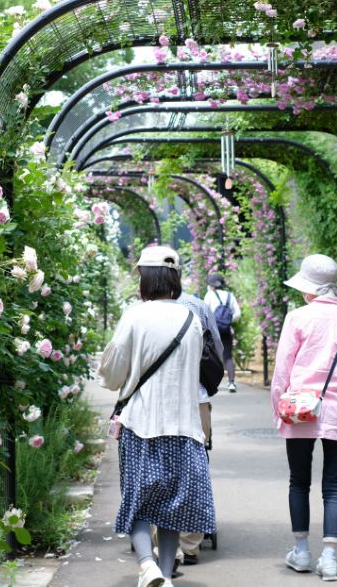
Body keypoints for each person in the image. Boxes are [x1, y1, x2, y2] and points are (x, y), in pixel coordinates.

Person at [99, 245, 216, 587]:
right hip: (184, 427)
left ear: (145, 278)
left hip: (141, 425)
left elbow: (112, 374)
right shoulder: (191, 319)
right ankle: (164, 574)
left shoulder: (135, 315)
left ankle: (147, 564)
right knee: (172, 507)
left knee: (137, 501)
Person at [270, 254, 337, 582]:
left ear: (309, 288)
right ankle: (330, 559)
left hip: (299, 409)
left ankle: (301, 553)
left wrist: (278, 410)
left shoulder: (297, 318)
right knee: (334, 486)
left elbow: (282, 371)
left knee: (299, 481)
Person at [176, 285, 225, 564]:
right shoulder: (198, 306)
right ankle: (191, 542)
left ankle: (163, 543)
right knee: (196, 465)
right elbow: (216, 348)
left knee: (161, 467)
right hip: (197, 399)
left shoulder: (142, 308)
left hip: (158, 403)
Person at [203, 273, 241, 392]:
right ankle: (231, 383)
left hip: (213, 330)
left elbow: (205, 312)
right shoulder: (230, 295)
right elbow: (238, 313)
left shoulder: (209, 295)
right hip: (226, 329)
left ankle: (212, 383)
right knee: (228, 356)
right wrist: (228, 320)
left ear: (212, 285)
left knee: (211, 356)